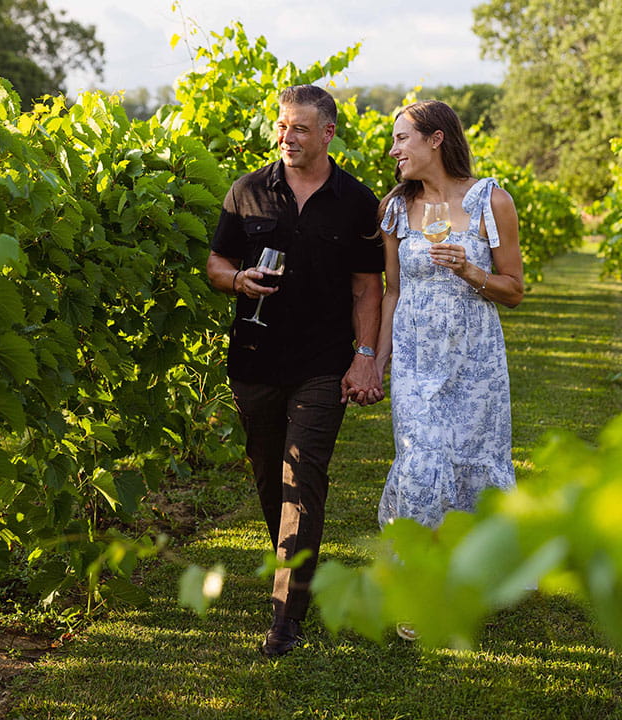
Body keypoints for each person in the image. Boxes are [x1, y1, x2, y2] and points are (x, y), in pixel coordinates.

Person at [206, 85, 384, 657]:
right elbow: (216, 262)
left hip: (321, 363)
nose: (286, 137)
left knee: (302, 478)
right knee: (268, 479)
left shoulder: (357, 201)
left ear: (329, 133)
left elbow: (367, 286)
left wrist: (364, 356)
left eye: (300, 128)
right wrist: (237, 281)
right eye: (282, 126)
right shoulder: (247, 191)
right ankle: (298, 566)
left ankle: (286, 618)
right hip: (255, 360)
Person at [375, 100, 524, 532]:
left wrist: (469, 271)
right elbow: (393, 291)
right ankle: (419, 570)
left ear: (436, 139)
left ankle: (477, 570)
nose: (393, 150)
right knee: (420, 458)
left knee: (474, 459)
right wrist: (377, 361)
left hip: (475, 362)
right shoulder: (395, 210)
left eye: (401, 139)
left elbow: (514, 290)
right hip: (416, 359)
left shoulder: (491, 201)